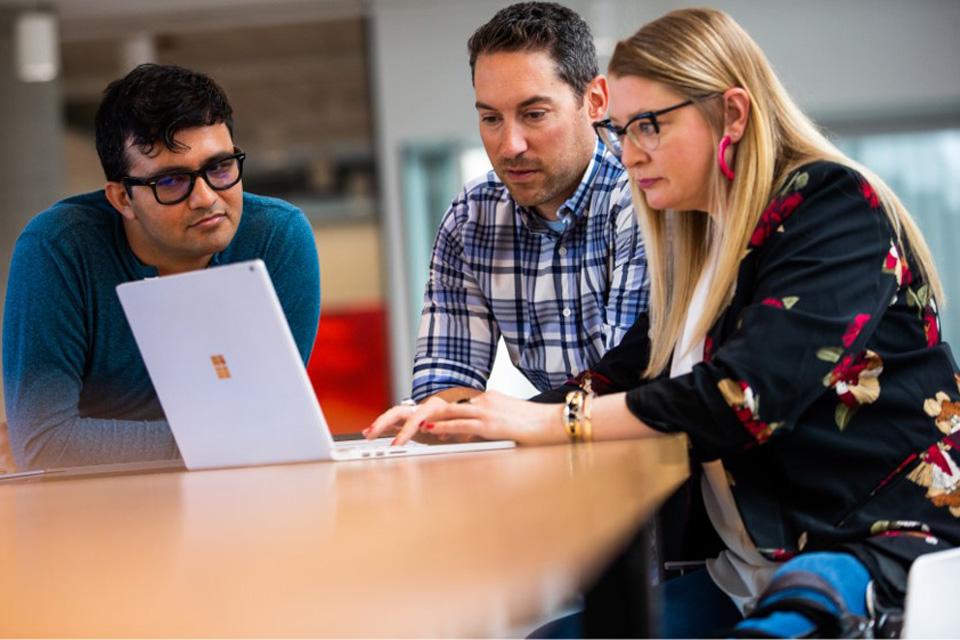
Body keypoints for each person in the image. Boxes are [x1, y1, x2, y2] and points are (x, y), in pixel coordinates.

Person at [369, 8, 960, 637]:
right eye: (623, 131)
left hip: (872, 544)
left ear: (732, 114)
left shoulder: (830, 203)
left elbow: (741, 397)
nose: (628, 153)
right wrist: (467, 424)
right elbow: (623, 377)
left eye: (650, 126)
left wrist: (543, 422)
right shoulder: (704, 244)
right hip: (747, 570)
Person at [3, 64, 321, 472]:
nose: (206, 198)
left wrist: (240, 437)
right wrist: (222, 440)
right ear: (121, 199)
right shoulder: (59, 248)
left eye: (220, 167)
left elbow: (274, 419)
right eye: (171, 182)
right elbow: (43, 443)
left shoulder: (278, 238)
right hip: (91, 509)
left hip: (234, 501)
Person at [407, 2, 647, 404]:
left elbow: (627, 385)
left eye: (534, 114)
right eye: (491, 119)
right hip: (555, 452)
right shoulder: (473, 216)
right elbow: (441, 385)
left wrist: (505, 417)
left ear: (595, 101)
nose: (509, 145)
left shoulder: (643, 195)